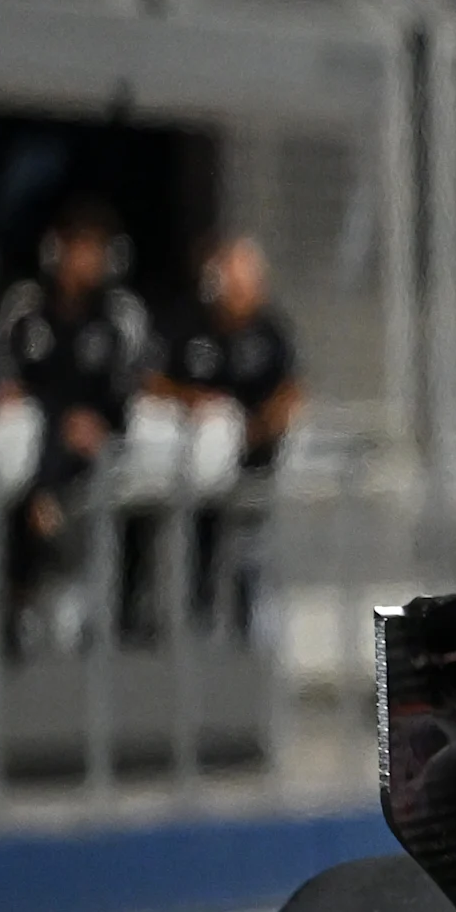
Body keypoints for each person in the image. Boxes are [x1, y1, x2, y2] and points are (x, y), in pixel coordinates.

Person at [0, 200, 154, 654]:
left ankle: (120, 605)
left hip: (102, 441)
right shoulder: (25, 307)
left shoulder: (121, 314)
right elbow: (5, 380)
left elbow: (136, 387)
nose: (85, 262)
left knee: (90, 452)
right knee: (25, 448)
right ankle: (16, 602)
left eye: (94, 251)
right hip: (38, 443)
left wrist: (102, 424)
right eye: (77, 249)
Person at [153, 235, 302, 631]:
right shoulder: (189, 326)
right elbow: (154, 381)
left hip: (256, 454)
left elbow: (291, 389)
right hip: (196, 459)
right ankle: (191, 607)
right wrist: (194, 400)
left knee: (249, 541)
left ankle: (247, 611)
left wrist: (261, 426)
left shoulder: (270, 331)